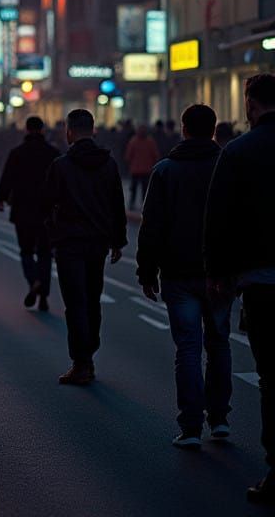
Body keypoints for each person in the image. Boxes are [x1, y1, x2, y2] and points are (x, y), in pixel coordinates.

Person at [136, 103, 230, 448]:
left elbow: (151, 227)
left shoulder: (165, 171)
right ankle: (220, 419)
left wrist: (147, 271)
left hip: (177, 272)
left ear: (183, 128)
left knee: (187, 349)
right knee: (219, 343)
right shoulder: (227, 165)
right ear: (214, 128)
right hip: (219, 272)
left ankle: (191, 426)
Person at [205, 73, 275, 505]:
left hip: (262, 282)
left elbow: (220, 219)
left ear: (250, 104)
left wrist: (219, 273)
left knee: (271, 377)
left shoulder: (238, 152)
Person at [43, 108, 127, 386]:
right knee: (93, 298)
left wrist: (52, 235)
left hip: (69, 244)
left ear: (69, 132)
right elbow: (117, 204)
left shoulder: (61, 165)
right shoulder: (108, 164)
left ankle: (82, 361)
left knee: (75, 302)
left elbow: (48, 205)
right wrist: (118, 240)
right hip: (98, 242)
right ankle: (89, 352)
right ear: (93, 130)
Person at [0, 116, 60, 311]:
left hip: (22, 210)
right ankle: (44, 296)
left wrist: (1, 197)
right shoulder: (52, 153)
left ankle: (33, 281)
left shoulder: (17, 153)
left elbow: (7, 177)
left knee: (25, 251)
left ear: (26, 130)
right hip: (46, 212)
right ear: (43, 130)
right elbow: (60, 183)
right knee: (44, 253)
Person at [125, 124, 160, 209]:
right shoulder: (150, 141)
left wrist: (129, 165)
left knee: (133, 189)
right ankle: (145, 206)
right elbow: (156, 155)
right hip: (147, 170)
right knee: (145, 190)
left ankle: (131, 205)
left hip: (135, 170)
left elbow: (128, 156)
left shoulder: (133, 141)